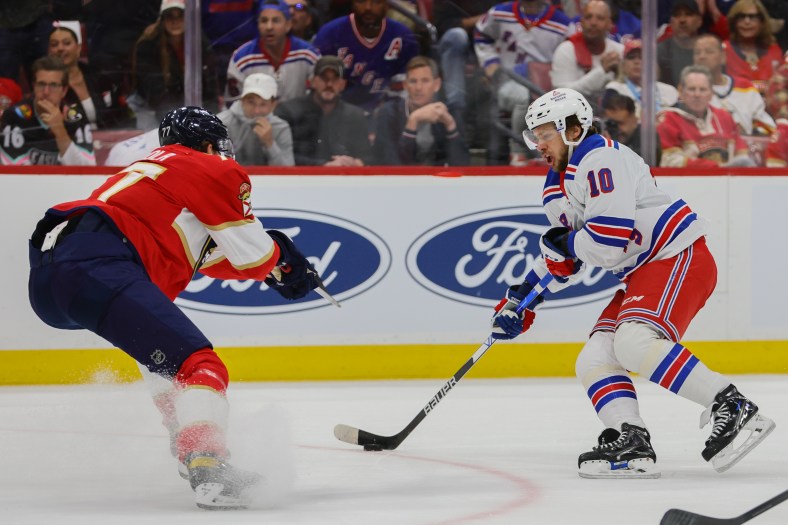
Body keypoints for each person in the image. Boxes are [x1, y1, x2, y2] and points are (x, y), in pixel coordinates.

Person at [27, 106, 323, 509]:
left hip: (54, 277)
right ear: (205, 144)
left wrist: (274, 268)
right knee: (202, 366)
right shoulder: (209, 167)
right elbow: (253, 256)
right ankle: (208, 464)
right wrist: (283, 259)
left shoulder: (154, 176)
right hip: (99, 266)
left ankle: (185, 438)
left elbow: (209, 255)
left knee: (167, 358)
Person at [490, 87, 775, 479]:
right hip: (644, 271)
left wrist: (565, 243)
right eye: (534, 135)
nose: (537, 143)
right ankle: (632, 437)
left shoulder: (602, 158)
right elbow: (564, 259)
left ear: (572, 129)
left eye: (544, 133)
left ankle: (731, 404)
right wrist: (521, 300)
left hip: (676, 256)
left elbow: (606, 244)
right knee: (594, 357)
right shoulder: (557, 184)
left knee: (634, 342)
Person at [474, 0, 572, 165]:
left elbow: (569, 54)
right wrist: (490, 63)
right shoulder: (499, 13)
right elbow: (481, 33)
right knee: (523, 97)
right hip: (507, 81)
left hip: (546, 86)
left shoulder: (562, 23)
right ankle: (518, 153)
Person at [313, 0, 420, 114]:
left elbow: (406, 87)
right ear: (353, 3)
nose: (368, 7)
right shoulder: (330, 33)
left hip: (384, 114)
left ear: (387, 4)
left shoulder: (403, 36)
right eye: (361, 1)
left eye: (376, 2)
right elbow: (318, 86)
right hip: (337, 113)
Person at [132, 0, 220, 126]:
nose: (175, 21)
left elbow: (210, 88)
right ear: (162, 19)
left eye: (180, 16)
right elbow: (154, 93)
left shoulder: (199, 42)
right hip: (151, 108)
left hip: (190, 107)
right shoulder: (148, 46)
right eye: (170, 16)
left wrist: (210, 119)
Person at [275, 55, 372, 166]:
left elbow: (369, 157)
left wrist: (354, 163)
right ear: (312, 82)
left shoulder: (355, 116)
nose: (329, 84)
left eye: (335, 79)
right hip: (299, 180)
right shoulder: (289, 112)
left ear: (343, 85)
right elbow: (282, 156)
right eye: (324, 78)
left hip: (344, 180)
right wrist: (324, 166)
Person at [373, 55, 469, 165]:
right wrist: (413, 122)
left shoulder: (449, 112)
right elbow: (391, 166)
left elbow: (463, 166)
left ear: (436, 85)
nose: (418, 88)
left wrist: (450, 125)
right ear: (405, 85)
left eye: (425, 81)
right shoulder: (388, 113)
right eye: (413, 81)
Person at [0, 56, 95, 166]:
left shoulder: (76, 118)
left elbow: (86, 170)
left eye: (53, 85)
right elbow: (14, 173)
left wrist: (60, 131)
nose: (46, 92)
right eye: (41, 84)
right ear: (33, 86)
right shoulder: (15, 116)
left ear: (64, 90)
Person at [657, 65, 755, 167]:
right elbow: (670, 162)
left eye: (703, 89)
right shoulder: (669, 119)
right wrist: (717, 167)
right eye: (692, 89)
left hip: (727, 180)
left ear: (711, 93)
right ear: (681, 91)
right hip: (688, 181)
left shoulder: (724, 117)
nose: (697, 94)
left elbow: (741, 154)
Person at [226, 0, 320, 105]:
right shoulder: (241, 59)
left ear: (288, 25)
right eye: (264, 21)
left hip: (299, 119)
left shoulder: (308, 55)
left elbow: (319, 98)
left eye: (276, 21)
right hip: (253, 119)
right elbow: (232, 105)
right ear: (258, 25)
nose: (269, 27)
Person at [49, 21, 135, 129]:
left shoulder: (99, 78)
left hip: (111, 139)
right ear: (49, 51)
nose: (60, 48)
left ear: (78, 48)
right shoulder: (48, 87)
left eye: (66, 43)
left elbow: (121, 116)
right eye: (54, 44)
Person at [693, 33, 775, 135]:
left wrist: (750, 135)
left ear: (723, 57)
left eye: (709, 52)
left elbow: (766, 127)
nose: (702, 56)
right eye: (697, 53)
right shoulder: (690, 90)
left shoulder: (746, 87)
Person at [550, 0, 624, 106]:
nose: (593, 23)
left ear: (610, 24)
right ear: (581, 22)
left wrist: (620, 74)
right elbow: (561, 95)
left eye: (600, 18)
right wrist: (601, 71)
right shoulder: (566, 50)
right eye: (588, 17)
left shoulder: (620, 51)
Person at [218, 72, 294, 166]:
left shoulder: (281, 128)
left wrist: (270, 144)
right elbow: (214, 166)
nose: (256, 111)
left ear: (273, 105)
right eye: (251, 103)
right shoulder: (222, 124)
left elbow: (288, 173)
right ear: (242, 101)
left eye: (263, 104)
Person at [722, 0, 784, 96]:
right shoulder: (723, 50)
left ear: (762, 22)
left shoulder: (774, 50)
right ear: (734, 22)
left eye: (753, 17)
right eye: (741, 17)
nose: (747, 22)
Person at [603, 39, 679, 117]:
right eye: (631, 57)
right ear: (623, 65)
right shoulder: (615, 89)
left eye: (642, 57)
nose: (636, 62)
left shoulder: (669, 91)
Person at [601, 92, 661, 162]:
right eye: (611, 123)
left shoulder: (646, 137)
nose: (615, 128)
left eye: (620, 123)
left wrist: (611, 149)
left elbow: (644, 163)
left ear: (633, 117)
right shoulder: (606, 135)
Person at [658, 0, 705, 87]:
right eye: (677, 15)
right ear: (671, 22)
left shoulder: (708, 51)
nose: (682, 20)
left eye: (688, 14)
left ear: (699, 21)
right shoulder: (660, 51)